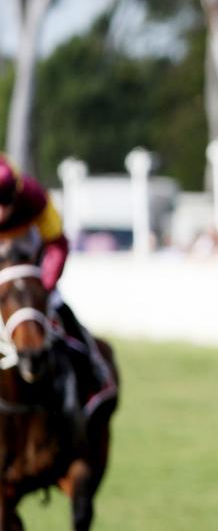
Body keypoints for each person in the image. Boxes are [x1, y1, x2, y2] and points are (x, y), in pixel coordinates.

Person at [0, 157, 112, 411]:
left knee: (62, 314)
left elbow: (58, 244)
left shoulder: (35, 197)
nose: (0, 212)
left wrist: (45, 285)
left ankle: (97, 372)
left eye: (5, 202)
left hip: (31, 272)